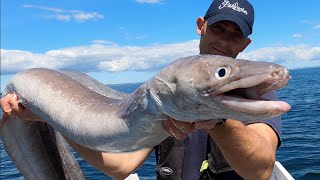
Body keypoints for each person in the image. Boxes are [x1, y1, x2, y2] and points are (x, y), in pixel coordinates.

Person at [1, 0, 281, 179]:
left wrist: (218, 115)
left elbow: (259, 171)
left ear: (245, 44)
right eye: (219, 29)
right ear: (202, 26)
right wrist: (54, 116)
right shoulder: (166, 93)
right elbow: (120, 167)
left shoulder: (256, 94)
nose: (225, 40)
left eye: (236, 35)